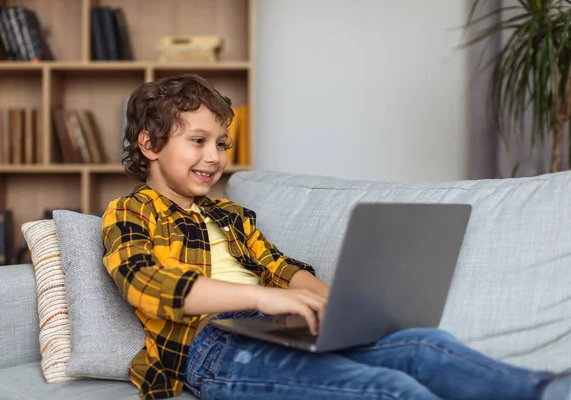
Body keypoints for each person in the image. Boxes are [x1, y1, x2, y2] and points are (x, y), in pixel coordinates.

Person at [101, 74, 571, 400]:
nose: (215, 155)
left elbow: (284, 269)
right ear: (150, 144)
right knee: (393, 391)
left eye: (221, 142)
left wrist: (338, 308)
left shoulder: (228, 215)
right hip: (214, 349)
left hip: (274, 328)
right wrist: (264, 299)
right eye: (198, 140)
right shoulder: (130, 211)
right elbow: (145, 282)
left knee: (425, 346)